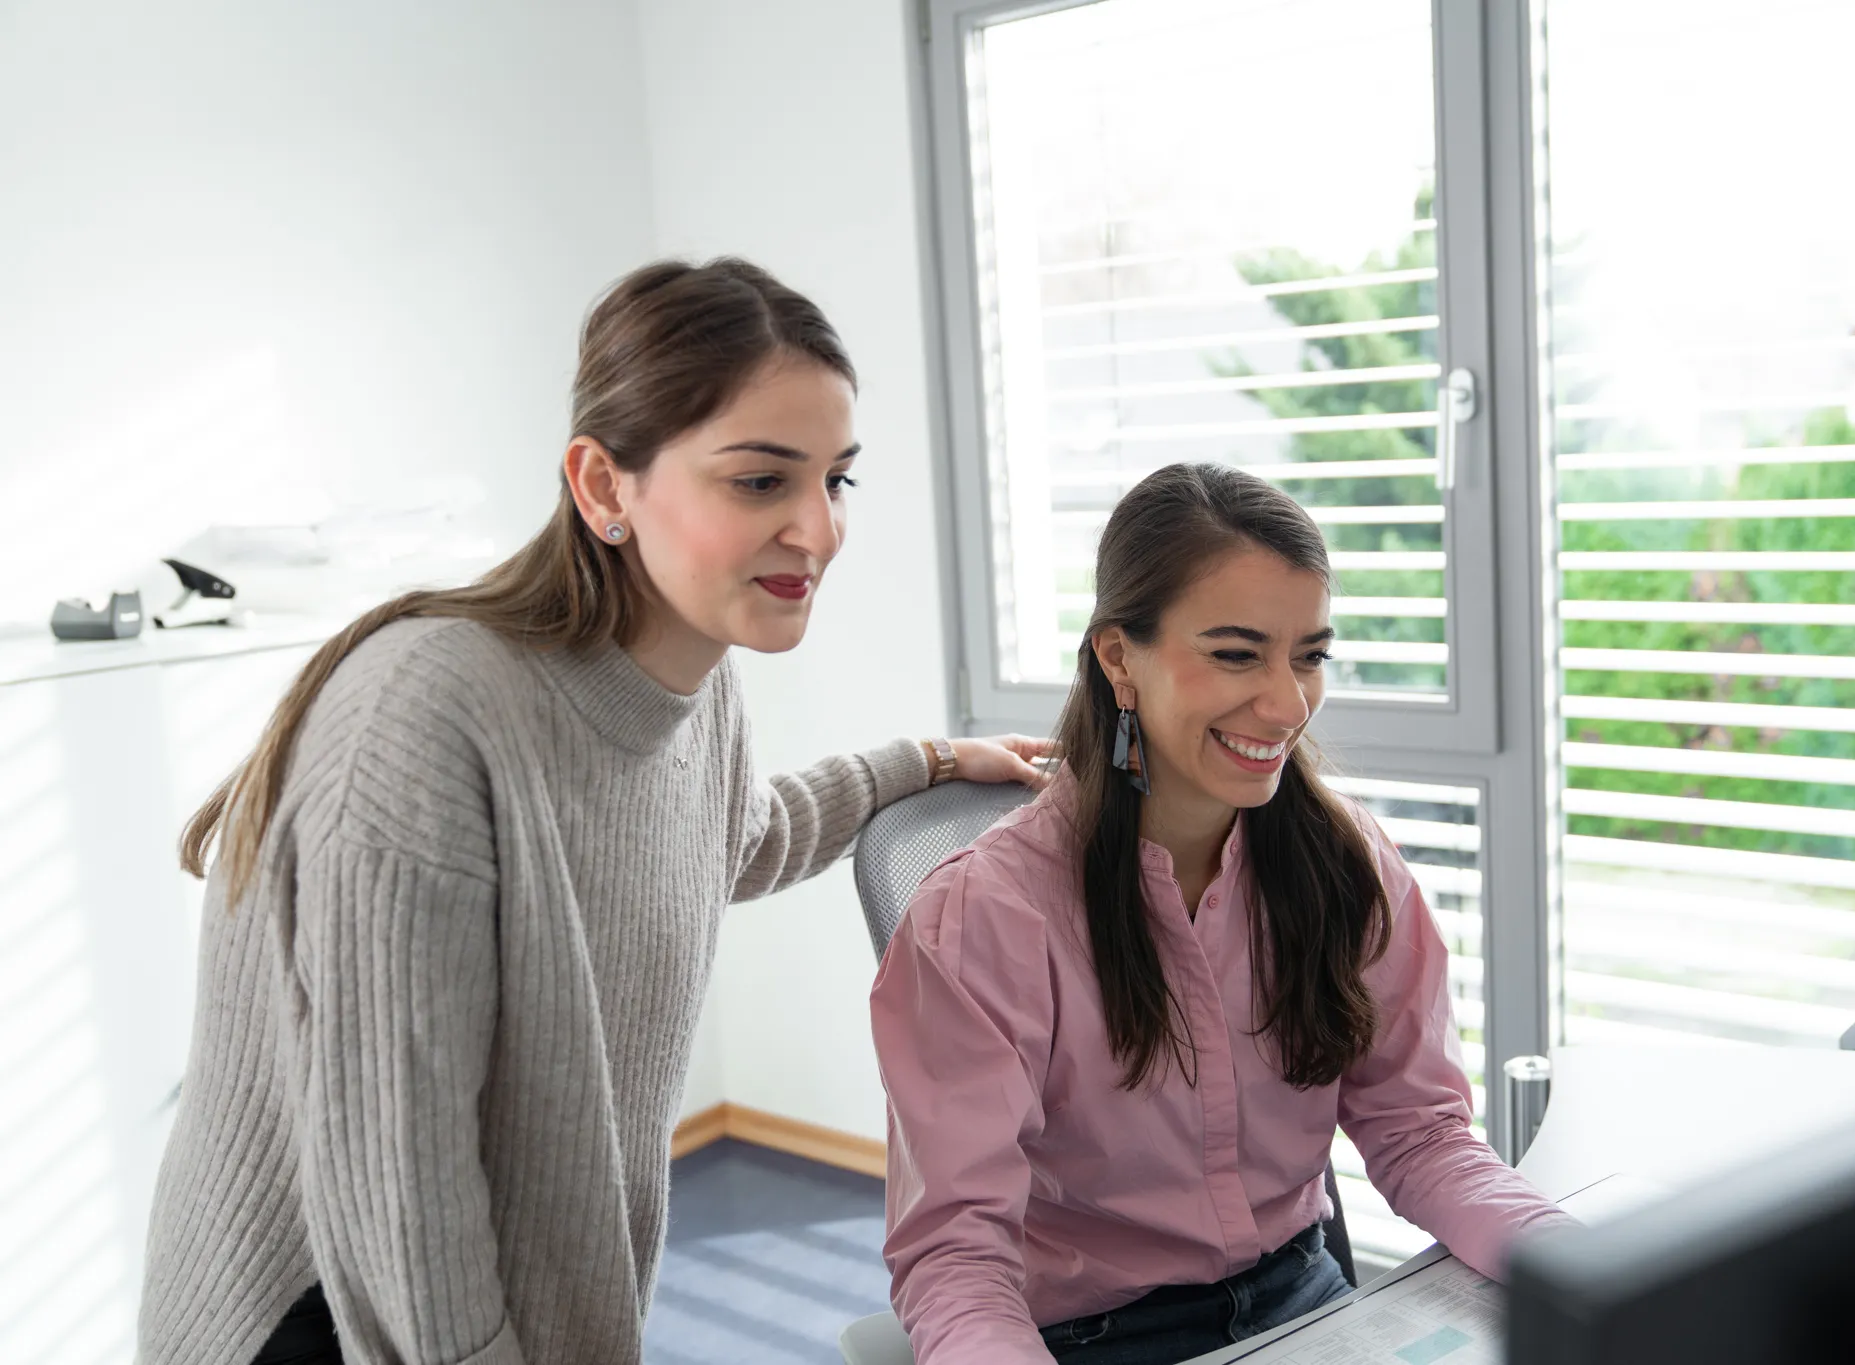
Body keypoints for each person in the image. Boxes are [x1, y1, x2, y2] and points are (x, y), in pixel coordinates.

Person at [137, 258, 1048, 1365]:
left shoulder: (694, 682)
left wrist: (927, 759)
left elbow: (731, 838)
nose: (818, 530)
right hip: (328, 1318)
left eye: (836, 480)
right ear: (605, 486)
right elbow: (398, 1191)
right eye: (761, 480)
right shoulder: (427, 710)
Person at [871, 462, 1571, 1364]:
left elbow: (1421, 1133)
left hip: (1303, 1299)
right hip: (1093, 1338)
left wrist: (1590, 1275)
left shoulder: (1346, 862)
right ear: (1118, 656)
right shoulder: (983, 917)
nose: (1287, 703)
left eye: (1309, 655)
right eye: (1237, 654)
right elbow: (957, 1258)